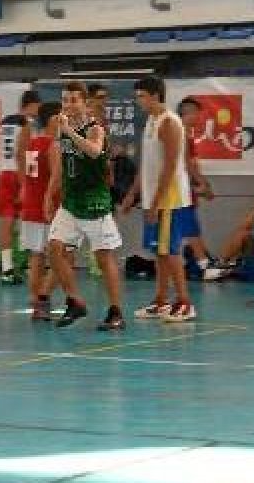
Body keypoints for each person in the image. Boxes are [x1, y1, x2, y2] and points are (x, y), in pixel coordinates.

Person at [46, 81, 125, 331]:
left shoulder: (95, 128)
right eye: (65, 100)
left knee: (103, 258)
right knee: (55, 249)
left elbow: (93, 151)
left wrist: (69, 132)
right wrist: (50, 192)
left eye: (73, 100)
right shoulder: (63, 129)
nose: (68, 104)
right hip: (70, 202)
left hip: (94, 203)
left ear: (84, 103)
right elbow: (61, 163)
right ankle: (75, 300)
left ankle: (116, 311)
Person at [130, 77, 197, 322]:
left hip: (169, 199)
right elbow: (147, 165)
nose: (139, 100)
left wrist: (156, 202)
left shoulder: (169, 123)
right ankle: (160, 301)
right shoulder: (150, 121)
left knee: (170, 250)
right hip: (152, 198)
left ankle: (185, 302)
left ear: (156, 95)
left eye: (142, 95)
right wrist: (132, 194)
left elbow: (170, 167)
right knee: (159, 252)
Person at [0, 90, 42, 286]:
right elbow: (22, 154)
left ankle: (7, 269)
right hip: (18, 174)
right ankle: (29, 263)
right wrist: (26, 183)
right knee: (28, 219)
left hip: (3, 173)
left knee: (7, 223)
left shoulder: (5, 122)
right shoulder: (28, 124)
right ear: (30, 105)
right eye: (37, 107)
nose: (39, 111)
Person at [21, 101, 61, 320]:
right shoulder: (52, 145)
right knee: (62, 257)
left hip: (30, 206)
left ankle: (36, 299)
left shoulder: (33, 143)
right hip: (47, 208)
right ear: (53, 119)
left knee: (36, 256)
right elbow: (57, 178)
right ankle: (42, 299)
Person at [177, 97, 215, 275]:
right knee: (190, 227)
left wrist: (199, 186)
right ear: (189, 113)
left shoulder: (184, 133)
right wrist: (202, 183)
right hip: (179, 188)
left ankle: (202, 263)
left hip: (184, 187)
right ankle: (204, 265)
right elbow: (186, 164)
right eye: (198, 114)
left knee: (187, 227)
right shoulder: (181, 132)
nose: (200, 118)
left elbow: (190, 163)